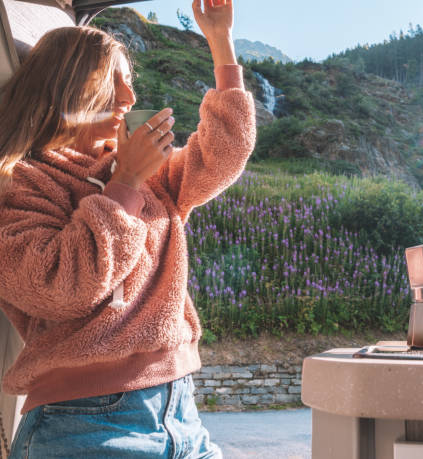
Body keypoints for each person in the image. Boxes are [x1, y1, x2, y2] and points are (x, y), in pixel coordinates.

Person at [0, 0, 255, 456]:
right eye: (112, 82)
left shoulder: (149, 175)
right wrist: (126, 183)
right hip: (83, 425)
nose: (129, 99)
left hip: (181, 413)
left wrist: (220, 40)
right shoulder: (22, 185)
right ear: (66, 87)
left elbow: (224, 155)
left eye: (130, 83)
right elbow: (64, 286)